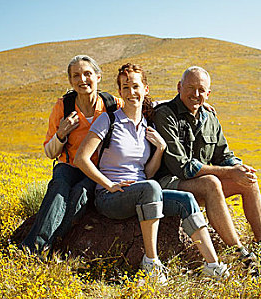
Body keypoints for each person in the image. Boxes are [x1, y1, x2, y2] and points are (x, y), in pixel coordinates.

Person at [74, 63, 229, 282]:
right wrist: (108, 184)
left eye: (136, 86)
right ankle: (151, 262)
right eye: (125, 88)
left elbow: (147, 173)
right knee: (152, 187)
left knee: (186, 199)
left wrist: (161, 149)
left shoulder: (148, 124)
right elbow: (81, 158)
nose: (131, 93)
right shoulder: (108, 120)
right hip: (111, 197)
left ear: (145, 89)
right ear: (119, 92)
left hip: (143, 193)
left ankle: (213, 266)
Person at [153, 66, 261, 269]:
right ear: (179, 87)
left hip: (199, 183)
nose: (196, 94)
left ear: (208, 94)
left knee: (248, 181)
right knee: (211, 182)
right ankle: (239, 254)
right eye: (190, 87)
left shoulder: (210, 118)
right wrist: (229, 172)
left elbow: (224, 155)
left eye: (201, 90)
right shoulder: (165, 114)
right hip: (170, 183)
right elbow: (182, 167)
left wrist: (239, 168)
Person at [21, 55, 124, 253]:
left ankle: (52, 244)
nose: (82, 79)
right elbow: (50, 152)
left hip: (97, 171)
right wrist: (61, 132)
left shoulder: (112, 105)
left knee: (81, 194)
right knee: (59, 185)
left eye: (87, 74)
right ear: (70, 81)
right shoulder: (63, 106)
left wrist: (200, 107)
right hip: (68, 166)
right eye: (76, 75)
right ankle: (34, 248)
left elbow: (140, 106)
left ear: (98, 77)